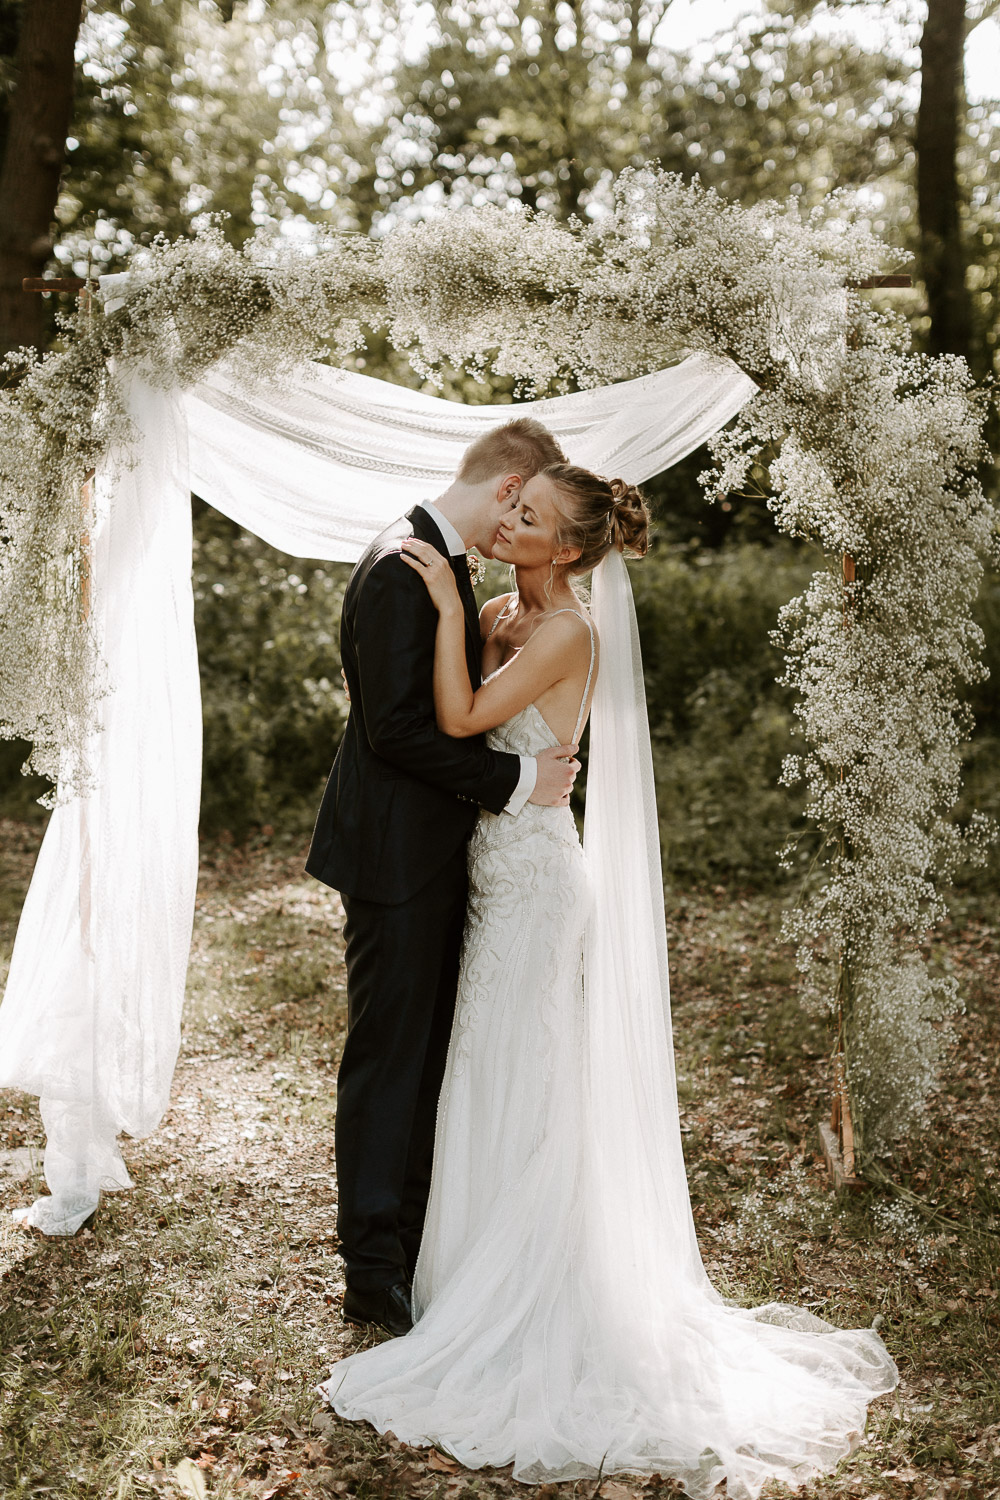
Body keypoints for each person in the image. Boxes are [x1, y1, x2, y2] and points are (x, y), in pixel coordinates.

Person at [317, 461, 899, 1499]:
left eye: (531, 518)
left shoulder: (567, 630)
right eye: (515, 505)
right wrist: (474, 613)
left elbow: (455, 721)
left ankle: (537, 1283)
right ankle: (457, 1264)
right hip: (491, 870)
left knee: (527, 1072)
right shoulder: (509, 610)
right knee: (481, 1066)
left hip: (538, 884)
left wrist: (447, 604)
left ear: (570, 550)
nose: (509, 520)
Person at [305, 418, 580, 1338]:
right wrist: (514, 781)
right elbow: (398, 732)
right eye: (529, 506)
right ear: (510, 488)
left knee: (428, 1053)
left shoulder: (448, 566)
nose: (523, 527)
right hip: (392, 857)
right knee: (390, 1059)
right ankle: (372, 1268)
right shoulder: (403, 566)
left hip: (439, 851)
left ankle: (417, 1238)